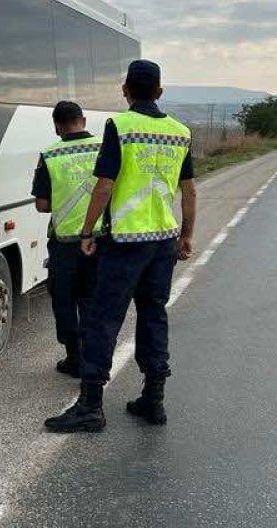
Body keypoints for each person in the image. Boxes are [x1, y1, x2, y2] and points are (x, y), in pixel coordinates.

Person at [44, 59, 196, 433]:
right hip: (163, 241)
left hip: (125, 242)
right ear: (160, 91)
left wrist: (85, 232)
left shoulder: (120, 126)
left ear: (125, 90)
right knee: (153, 314)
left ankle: (90, 406)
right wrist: (187, 235)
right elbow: (189, 190)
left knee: (102, 319)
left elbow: (105, 185)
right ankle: (153, 399)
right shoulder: (181, 132)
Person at [31, 101, 103, 377]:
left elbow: (42, 205)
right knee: (92, 299)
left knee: (64, 300)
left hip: (65, 243)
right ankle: (93, 357)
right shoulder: (102, 148)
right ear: (83, 120)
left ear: (56, 126)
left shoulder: (50, 155)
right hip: (99, 239)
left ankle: (74, 357)